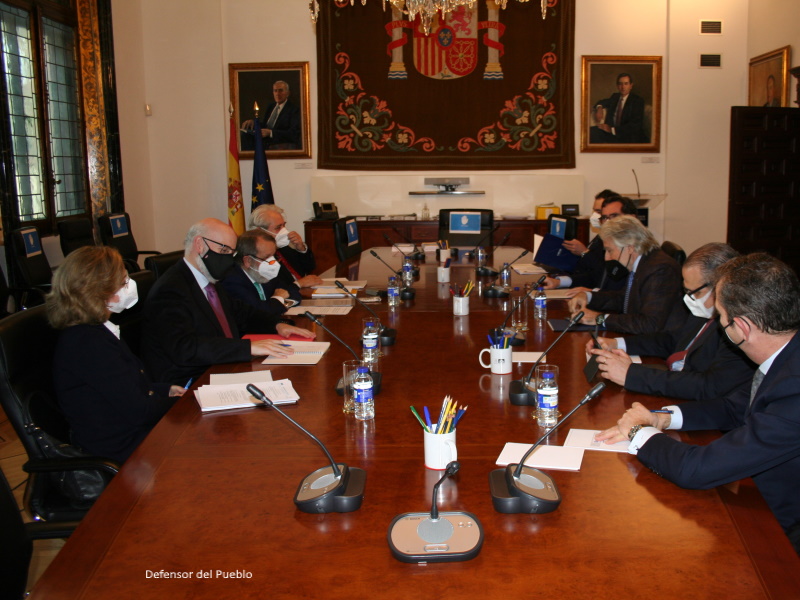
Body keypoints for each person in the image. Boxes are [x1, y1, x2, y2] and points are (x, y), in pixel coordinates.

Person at [595, 253, 800, 554]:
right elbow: (733, 407)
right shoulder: (785, 356)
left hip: (779, 531)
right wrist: (662, 418)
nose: (717, 324)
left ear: (741, 328)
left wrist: (639, 433)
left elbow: (697, 470)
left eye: (721, 317)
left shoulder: (793, 389)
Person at [46, 246, 185, 463]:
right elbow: (139, 411)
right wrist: (186, 402)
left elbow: (126, 387)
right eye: (123, 282)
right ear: (98, 290)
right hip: (124, 451)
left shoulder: (95, 330)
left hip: (135, 434)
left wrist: (164, 389)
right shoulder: (87, 343)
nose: (128, 286)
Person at [141, 218, 315, 385]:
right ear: (200, 244)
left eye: (231, 253)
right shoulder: (170, 290)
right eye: (224, 251)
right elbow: (186, 348)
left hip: (225, 367)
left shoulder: (208, 279)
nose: (228, 260)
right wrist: (247, 347)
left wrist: (277, 324)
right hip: (191, 382)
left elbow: (240, 312)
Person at [587, 243, 756, 401]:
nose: (688, 299)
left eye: (693, 292)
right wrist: (617, 343)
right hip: (672, 387)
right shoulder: (702, 310)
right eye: (686, 290)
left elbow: (709, 386)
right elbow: (672, 340)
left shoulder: (737, 330)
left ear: (720, 286)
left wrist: (630, 374)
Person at [567, 215, 685, 334]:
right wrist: (588, 296)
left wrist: (599, 318)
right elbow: (624, 298)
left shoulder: (660, 270)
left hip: (656, 344)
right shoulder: (642, 262)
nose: (606, 257)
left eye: (609, 250)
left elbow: (649, 324)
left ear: (629, 247)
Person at [543, 194, 636, 293]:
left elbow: (622, 296)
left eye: (614, 216)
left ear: (631, 217)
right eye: (604, 217)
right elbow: (595, 275)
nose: (608, 222)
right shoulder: (603, 238)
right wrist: (559, 282)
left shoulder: (635, 250)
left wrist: (591, 294)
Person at [221, 228, 302, 317]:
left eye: (273, 256)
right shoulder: (232, 281)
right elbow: (260, 314)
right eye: (267, 257)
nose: (273, 263)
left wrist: (279, 303)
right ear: (248, 260)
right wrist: (278, 298)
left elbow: (293, 292)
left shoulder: (265, 274)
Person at [250, 204, 322, 289]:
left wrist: (301, 248)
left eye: (284, 225)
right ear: (260, 231)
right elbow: (275, 289)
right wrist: (299, 284)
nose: (284, 231)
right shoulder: (257, 257)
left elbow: (310, 267)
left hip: (303, 292)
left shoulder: (285, 247)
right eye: (278, 227)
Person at [240, 80, 301, 150]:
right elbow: (265, 125)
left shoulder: (294, 110)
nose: (277, 94)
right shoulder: (271, 106)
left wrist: (271, 133)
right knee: (245, 135)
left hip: (276, 140)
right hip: (264, 138)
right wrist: (254, 122)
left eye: (281, 90)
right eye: (275, 91)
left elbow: (293, 134)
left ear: (287, 93)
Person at [589, 73, 648, 144]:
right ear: (617, 86)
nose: (623, 87)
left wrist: (611, 129)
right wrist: (599, 108)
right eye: (620, 84)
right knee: (590, 131)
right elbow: (603, 101)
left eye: (626, 84)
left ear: (631, 85)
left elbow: (635, 125)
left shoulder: (637, 101)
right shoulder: (615, 97)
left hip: (628, 135)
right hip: (612, 134)